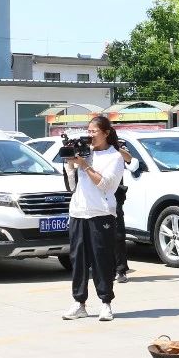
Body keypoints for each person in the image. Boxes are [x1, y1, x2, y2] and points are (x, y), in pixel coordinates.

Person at [62, 115, 126, 321]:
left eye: (94, 132)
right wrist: (70, 165)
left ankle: (106, 303)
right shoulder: (84, 153)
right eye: (88, 131)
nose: (90, 136)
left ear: (106, 133)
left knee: (102, 260)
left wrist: (85, 166)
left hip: (101, 214)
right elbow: (71, 187)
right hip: (78, 212)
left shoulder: (114, 157)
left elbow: (106, 185)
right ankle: (79, 303)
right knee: (78, 260)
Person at [111, 140, 135, 283]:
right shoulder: (92, 148)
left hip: (115, 195)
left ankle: (120, 270)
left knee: (118, 234)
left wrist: (114, 147)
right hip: (96, 195)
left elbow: (130, 160)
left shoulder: (117, 146)